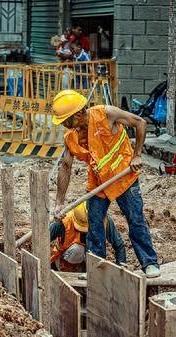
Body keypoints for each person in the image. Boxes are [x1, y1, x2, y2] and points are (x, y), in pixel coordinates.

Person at [51, 90, 161, 278]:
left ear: (77, 114)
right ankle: (95, 269)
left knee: (135, 220)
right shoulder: (71, 137)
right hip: (98, 183)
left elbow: (140, 123)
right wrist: (59, 202)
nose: (63, 125)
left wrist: (137, 155)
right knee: (95, 225)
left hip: (124, 178)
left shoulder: (106, 114)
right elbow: (65, 166)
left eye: (65, 120)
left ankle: (149, 263)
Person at [50, 202, 126, 272]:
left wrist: (121, 269)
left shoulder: (104, 220)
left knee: (96, 255)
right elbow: (44, 238)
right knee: (78, 250)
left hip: (89, 263)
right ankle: (70, 271)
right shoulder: (65, 221)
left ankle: (90, 273)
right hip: (65, 260)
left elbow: (119, 245)